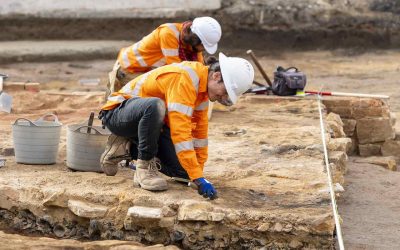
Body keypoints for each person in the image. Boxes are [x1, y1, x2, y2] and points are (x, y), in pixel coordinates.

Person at [99, 52, 254, 199]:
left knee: (184, 172)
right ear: (216, 76)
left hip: (152, 127)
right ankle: (144, 168)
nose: (224, 97)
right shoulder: (185, 78)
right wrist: (198, 177)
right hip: (118, 113)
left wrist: (197, 174)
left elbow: (199, 133)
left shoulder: (202, 91)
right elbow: (180, 132)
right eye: (225, 91)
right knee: (155, 106)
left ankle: (125, 149)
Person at [106, 16, 222, 99]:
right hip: (129, 69)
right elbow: (179, 71)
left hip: (145, 70)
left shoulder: (190, 44)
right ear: (194, 40)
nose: (203, 50)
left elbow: (199, 67)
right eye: (203, 46)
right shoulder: (168, 34)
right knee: (163, 97)